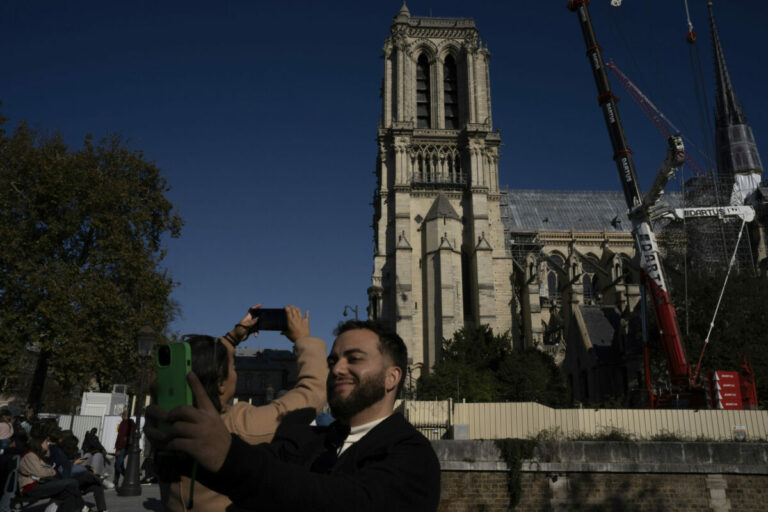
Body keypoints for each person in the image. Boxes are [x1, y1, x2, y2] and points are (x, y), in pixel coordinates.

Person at [148, 319, 441, 511]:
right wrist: (181, 444)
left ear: (392, 378)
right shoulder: (306, 439)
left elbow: (345, 500)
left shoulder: (412, 455)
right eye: (333, 360)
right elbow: (260, 474)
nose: (337, 368)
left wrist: (228, 455)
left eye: (354, 359)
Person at [159, 304, 327, 511]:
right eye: (233, 367)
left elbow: (199, 366)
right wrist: (304, 339)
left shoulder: (165, 420)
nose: (235, 373)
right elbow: (312, 393)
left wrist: (232, 338)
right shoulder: (236, 427)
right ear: (221, 383)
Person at [18, 435, 86, 512]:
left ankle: (81, 507)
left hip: (39, 484)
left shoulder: (36, 455)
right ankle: (83, 506)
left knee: (68, 494)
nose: (48, 443)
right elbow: (40, 472)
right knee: (72, 482)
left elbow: (46, 469)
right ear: (39, 444)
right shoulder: (30, 455)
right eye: (46, 442)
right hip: (31, 487)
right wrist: (53, 472)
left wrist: (51, 471)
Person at [112, 411, 135, 488]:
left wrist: (118, 449)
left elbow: (122, 438)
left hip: (122, 448)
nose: (122, 416)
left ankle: (127, 478)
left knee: (118, 465)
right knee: (118, 465)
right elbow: (119, 437)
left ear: (125, 415)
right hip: (120, 447)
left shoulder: (129, 423)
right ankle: (115, 482)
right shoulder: (123, 423)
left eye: (123, 415)